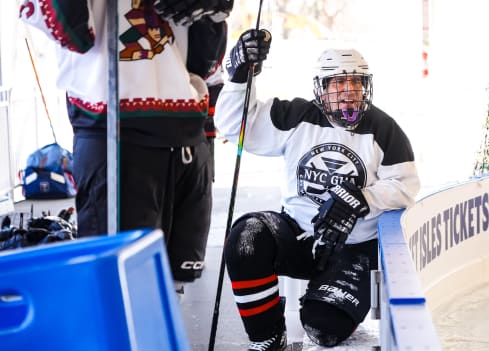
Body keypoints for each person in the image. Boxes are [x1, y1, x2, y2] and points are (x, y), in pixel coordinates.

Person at [214, 29, 421, 350]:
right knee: (246, 238)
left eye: (356, 82)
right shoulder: (296, 115)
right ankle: (267, 335)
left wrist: (363, 197)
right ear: (321, 89)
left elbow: (406, 188)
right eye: (338, 83)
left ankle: (324, 301)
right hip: (299, 235)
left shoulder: (385, 128)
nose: (348, 91)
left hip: (355, 247)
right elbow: (232, 125)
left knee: (324, 329)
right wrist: (242, 76)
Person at [19, 0, 231, 296]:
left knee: (171, 285)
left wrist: (215, 10)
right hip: (117, 137)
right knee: (121, 285)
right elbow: (73, 33)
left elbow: (203, 62)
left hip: (186, 133)